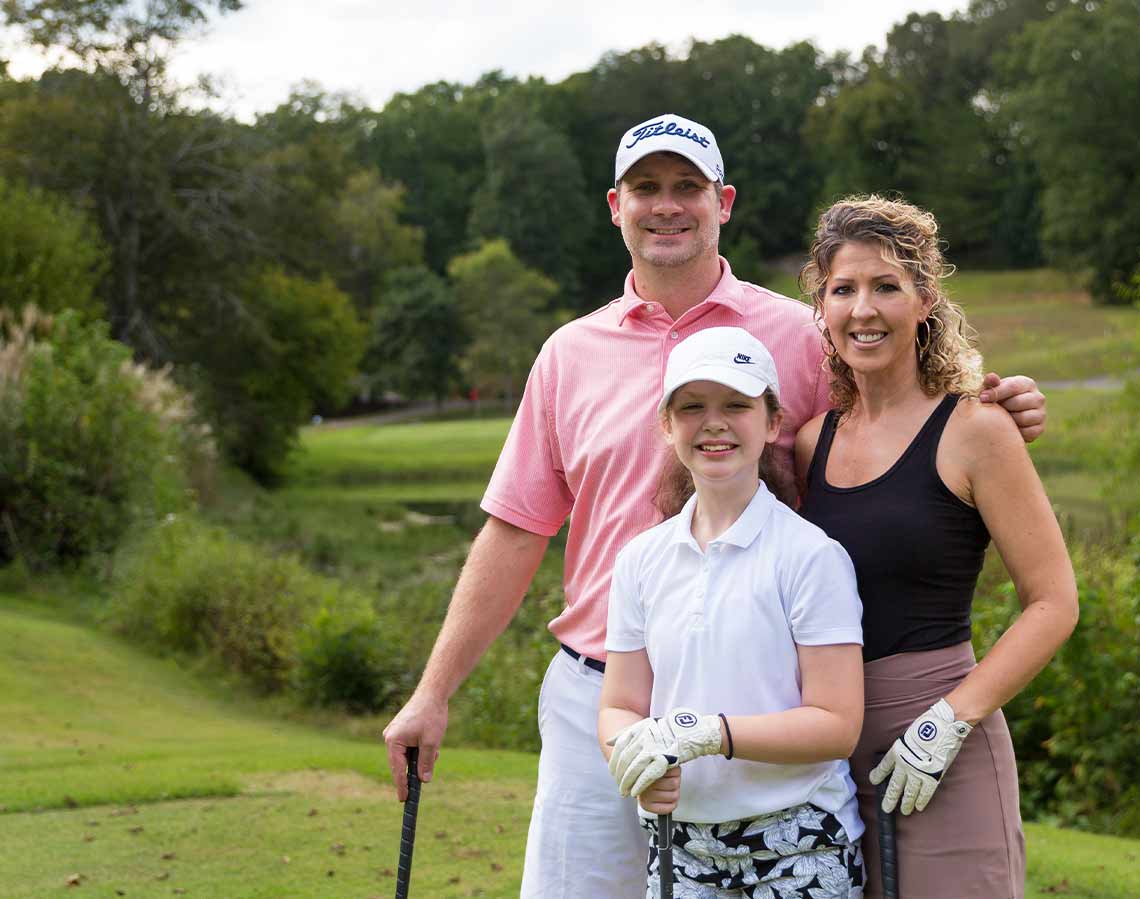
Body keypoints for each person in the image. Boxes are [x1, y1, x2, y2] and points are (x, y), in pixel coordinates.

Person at [380, 113, 1048, 899]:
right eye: (646, 188)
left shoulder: (804, 334)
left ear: (722, 201)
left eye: (687, 187)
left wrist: (997, 397)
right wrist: (434, 690)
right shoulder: (568, 353)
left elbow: (898, 403)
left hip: (758, 702)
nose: (667, 205)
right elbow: (516, 530)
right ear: (615, 205)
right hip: (601, 693)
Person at [795, 197, 1079, 898]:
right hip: (828, 752)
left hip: (940, 744)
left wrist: (952, 719)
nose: (865, 308)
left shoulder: (977, 428)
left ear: (924, 300)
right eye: (844, 289)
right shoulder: (809, 443)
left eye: (886, 286)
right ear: (822, 308)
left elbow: (1054, 601)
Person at [599, 326, 866, 898]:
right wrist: (637, 758)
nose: (713, 422)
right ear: (667, 426)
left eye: (736, 405)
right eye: (692, 407)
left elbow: (837, 724)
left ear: (772, 423)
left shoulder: (811, 556)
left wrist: (712, 735)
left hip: (800, 844)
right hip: (681, 848)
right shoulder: (640, 560)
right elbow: (620, 706)